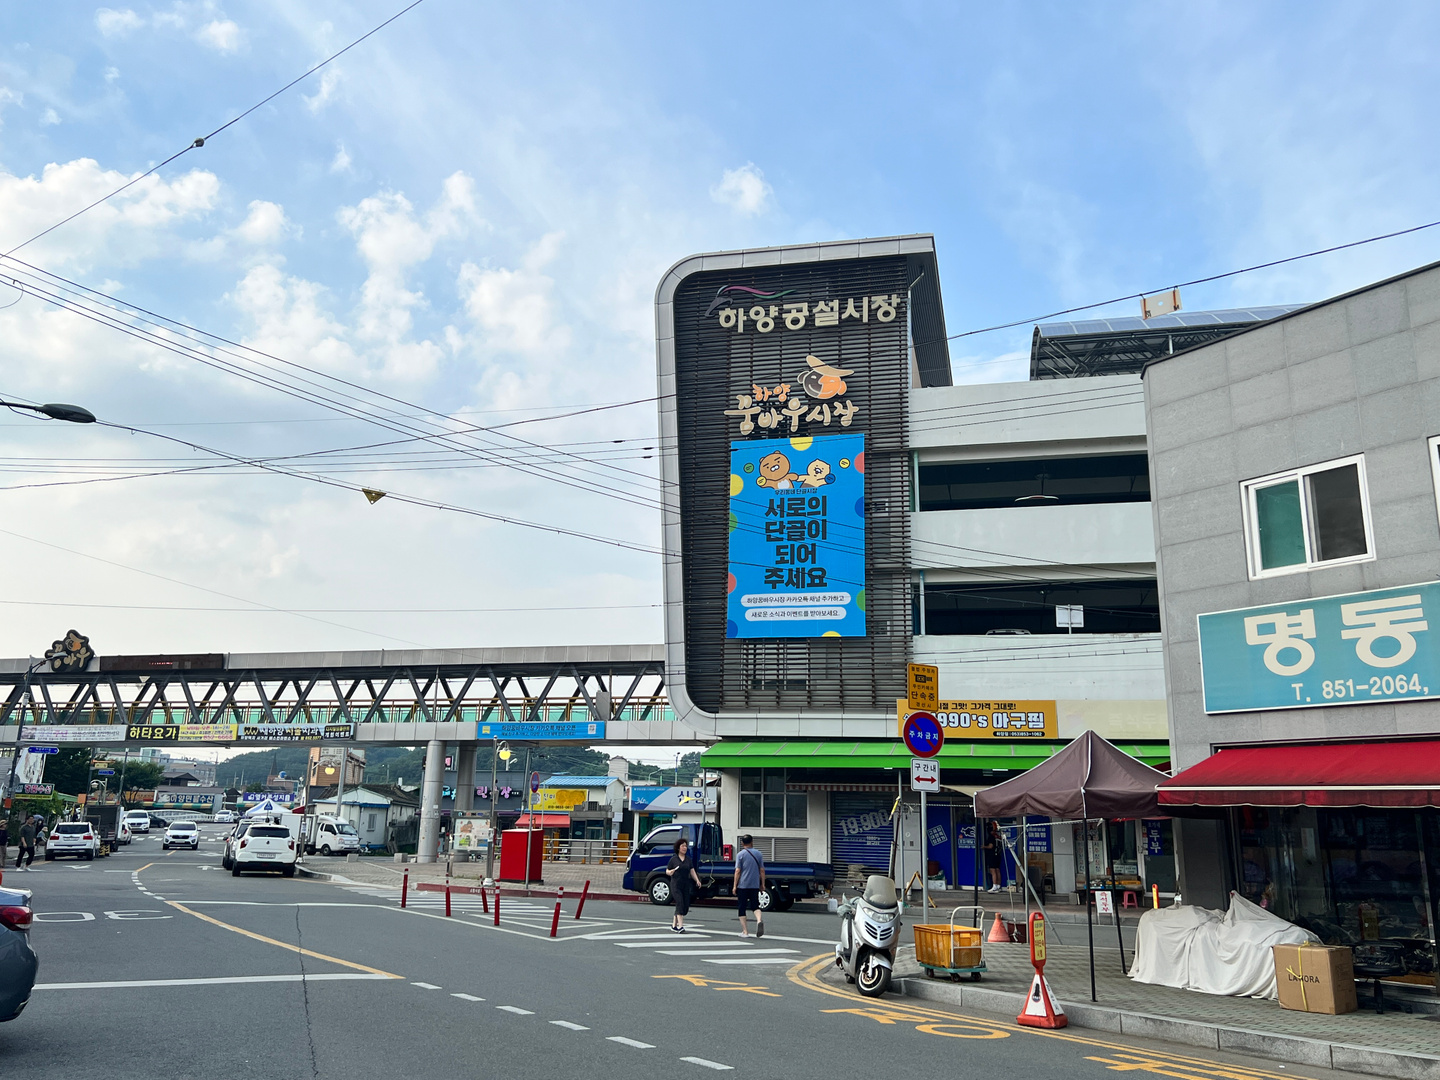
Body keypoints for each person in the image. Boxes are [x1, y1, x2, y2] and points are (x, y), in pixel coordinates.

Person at [733, 834, 766, 938]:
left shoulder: (740, 855)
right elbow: (762, 870)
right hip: (754, 885)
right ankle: (759, 920)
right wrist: (762, 884)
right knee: (755, 905)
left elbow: (738, 871)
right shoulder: (758, 854)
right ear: (752, 842)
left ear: (742, 843)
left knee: (742, 907)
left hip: (743, 885)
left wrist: (735, 886)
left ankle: (745, 932)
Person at [666, 837, 701, 933]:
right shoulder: (674, 859)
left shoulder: (688, 860)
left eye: (686, 846)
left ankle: (674, 925)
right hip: (676, 884)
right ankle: (680, 926)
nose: (685, 848)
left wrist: (697, 880)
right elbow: (667, 870)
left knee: (685, 906)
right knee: (680, 902)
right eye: (683, 846)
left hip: (685, 885)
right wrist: (670, 872)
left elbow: (692, 870)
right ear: (678, 848)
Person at [984, 821, 1003, 893]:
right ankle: (998, 886)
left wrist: (984, 847)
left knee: (993, 870)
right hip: (998, 855)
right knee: (997, 870)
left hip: (992, 855)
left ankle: (994, 886)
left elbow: (990, 846)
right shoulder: (998, 836)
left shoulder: (991, 837)